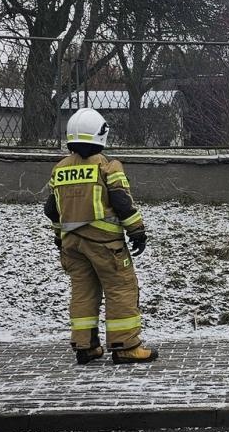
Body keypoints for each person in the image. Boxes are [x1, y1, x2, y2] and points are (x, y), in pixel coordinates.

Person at [44, 108, 155, 365]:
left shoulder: (59, 169)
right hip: (105, 245)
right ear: (101, 135)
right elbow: (121, 202)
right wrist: (137, 231)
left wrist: (59, 236)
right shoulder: (107, 166)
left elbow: (52, 209)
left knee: (83, 291)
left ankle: (86, 346)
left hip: (72, 245)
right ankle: (126, 346)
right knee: (121, 288)